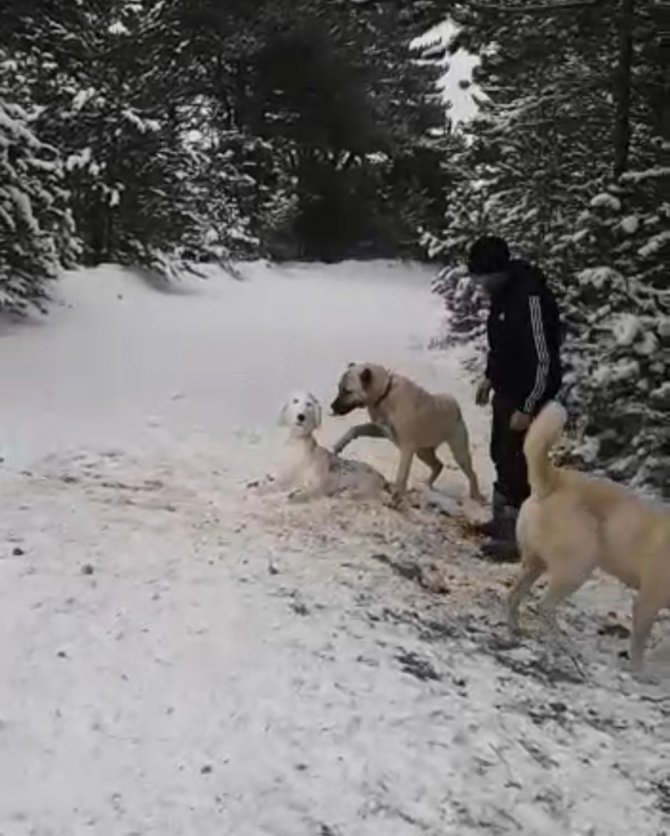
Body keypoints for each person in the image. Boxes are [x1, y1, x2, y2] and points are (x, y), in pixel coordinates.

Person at [467, 235, 563, 561]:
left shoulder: (530, 298)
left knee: (521, 463)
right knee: (502, 453)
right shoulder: (502, 297)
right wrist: (489, 378)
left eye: (482, 276)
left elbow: (543, 359)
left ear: (498, 271)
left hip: (529, 395)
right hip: (507, 390)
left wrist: (529, 405)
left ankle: (524, 539)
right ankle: (504, 520)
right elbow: (501, 346)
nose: (479, 283)